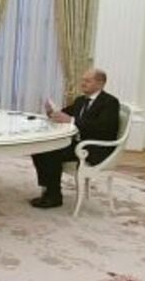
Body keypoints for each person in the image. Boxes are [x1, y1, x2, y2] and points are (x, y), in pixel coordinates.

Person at [30, 68, 120, 209]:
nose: (83, 83)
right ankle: (48, 189)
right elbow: (64, 114)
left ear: (100, 83)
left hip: (95, 147)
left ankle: (54, 196)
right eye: (83, 80)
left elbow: (103, 127)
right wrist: (52, 113)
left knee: (50, 152)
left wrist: (71, 120)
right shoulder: (81, 100)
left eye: (87, 81)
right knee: (41, 148)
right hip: (78, 143)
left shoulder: (110, 102)